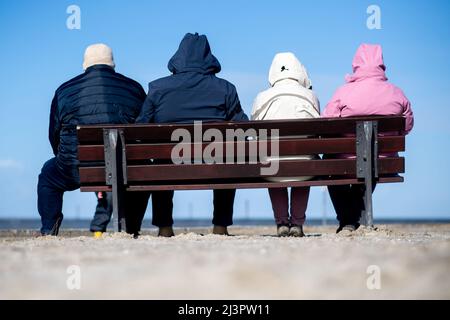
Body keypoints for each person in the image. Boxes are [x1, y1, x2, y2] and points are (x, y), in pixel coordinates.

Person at [136, 32, 249, 237]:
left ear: (178, 56)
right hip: (213, 163)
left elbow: (141, 127)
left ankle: (164, 228)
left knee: (159, 163)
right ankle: (220, 227)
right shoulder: (226, 88)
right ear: (208, 56)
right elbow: (242, 127)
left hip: (170, 163)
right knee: (227, 160)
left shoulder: (158, 87)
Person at [37, 43, 147, 236]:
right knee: (140, 170)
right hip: (123, 168)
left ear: (85, 64)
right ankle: (131, 230)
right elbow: (144, 130)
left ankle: (49, 230)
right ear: (113, 63)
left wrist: (65, 158)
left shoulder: (65, 90)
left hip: (75, 167)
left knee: (48, 175)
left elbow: (54, 134)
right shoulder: (133, 88)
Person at [322, 44, 414, 233]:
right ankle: (354, 219)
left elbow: (327, 123)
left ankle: (347, 220)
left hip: (345, 161)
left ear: (356, 65)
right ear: (381, 65)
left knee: (328, 165)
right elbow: (407, 126)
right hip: (383, 162)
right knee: (368, 166)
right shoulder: (396, 93)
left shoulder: (344, 92)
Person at [251, 52, 320, 237]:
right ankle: (297, 222)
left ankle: (281, 222)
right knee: (305, 159)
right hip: (304, 168)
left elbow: (255, 134)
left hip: (272, 169)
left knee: (272, 158)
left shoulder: (261, 97)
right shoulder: (310, 96)